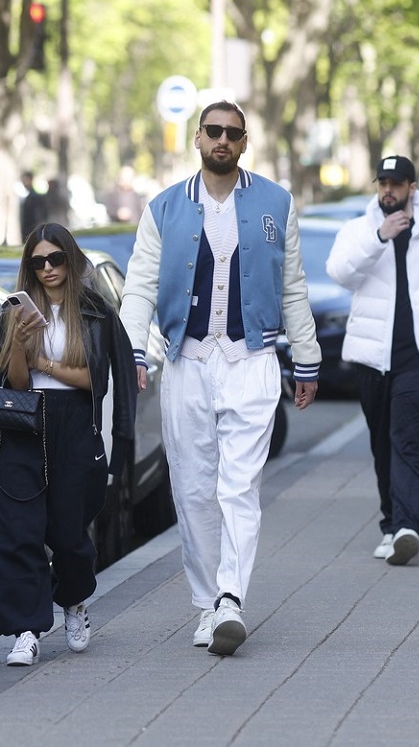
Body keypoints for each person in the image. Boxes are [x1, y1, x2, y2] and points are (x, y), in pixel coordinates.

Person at [120, 100, 320, 656]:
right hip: (187, 360)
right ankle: (206, 604)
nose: (223, 141)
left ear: (245, 141)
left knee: (240, 486)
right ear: (198, 138)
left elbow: (294, 286)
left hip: (252, 360)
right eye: (214, 131)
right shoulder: (163, 208)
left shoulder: (276, 204)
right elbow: (138, 286)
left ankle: (231, 597)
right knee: (191, 488)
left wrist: (307, 357)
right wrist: (134, 350)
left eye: (233, 133)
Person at [0, 222, 137, 667]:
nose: (47, 269)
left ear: (71, 258)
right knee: (19, 532)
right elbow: (15, 384)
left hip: (73, 424)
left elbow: (94, 380)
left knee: (69, 534)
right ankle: (26, 630)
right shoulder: (17, 312)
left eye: (56, 259)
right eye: (38, 261)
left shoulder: (95, 312)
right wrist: (21, 347)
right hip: (24, 423)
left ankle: (74, 600)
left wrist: (43, 357)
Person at [326, 155, 419, 566]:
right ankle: (391, 524)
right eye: (383, 183)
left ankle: (408, 527)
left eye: (396, 183)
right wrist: (379, 236)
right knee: (381, 443)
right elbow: (339, 271)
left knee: (406, 441)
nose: (388, 190)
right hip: (372, 357)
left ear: (412, 186)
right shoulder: (359, 230)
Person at [19, 171, 49, 237]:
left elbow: (41, 214)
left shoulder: (35, 196)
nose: (24, 182)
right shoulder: (26, 195)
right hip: (27, 230)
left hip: (33, 230)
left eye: (26, 179)